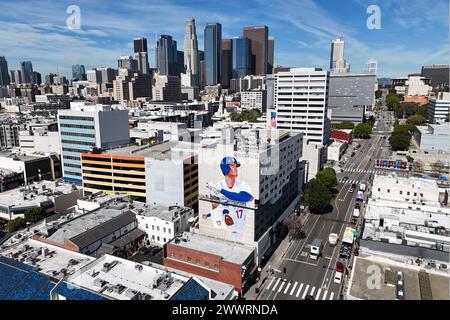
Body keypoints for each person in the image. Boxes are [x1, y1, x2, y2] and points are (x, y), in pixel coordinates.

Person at [203, 157, 254, 236]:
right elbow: (214, 207)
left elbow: (246, 197)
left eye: (236, 166)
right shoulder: (218, 185)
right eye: (232, 166)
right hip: (226, 226)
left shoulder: (243, 185)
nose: (236, 168)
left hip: (241, 223)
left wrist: (222, 191)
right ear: (226, 169)